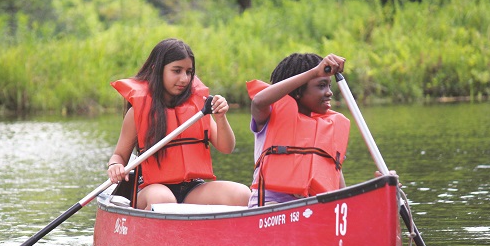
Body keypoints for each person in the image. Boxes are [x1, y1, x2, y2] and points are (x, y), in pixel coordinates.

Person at [107, 38, 251, 210]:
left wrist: (221, 118)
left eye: (189, 72)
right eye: (176, 71)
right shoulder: (138, 112)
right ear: (157, 70)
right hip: (152, 189)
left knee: (243, 195)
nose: (184, 78)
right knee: (163, 200)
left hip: (192, 189)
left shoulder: (199, 108)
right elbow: (119, 156)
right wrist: (115, 166)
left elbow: (227, 147)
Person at [246, 52, 349, 207]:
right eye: (321, 86)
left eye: (329, 85)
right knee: (274, 208)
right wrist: (314, 72)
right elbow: (258, 101)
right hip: (269, 206)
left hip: (311, 210)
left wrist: (381, 185)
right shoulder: (269, 116)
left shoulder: (326, 130)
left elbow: (341, 194)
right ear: (298, 91)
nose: (329, 92)